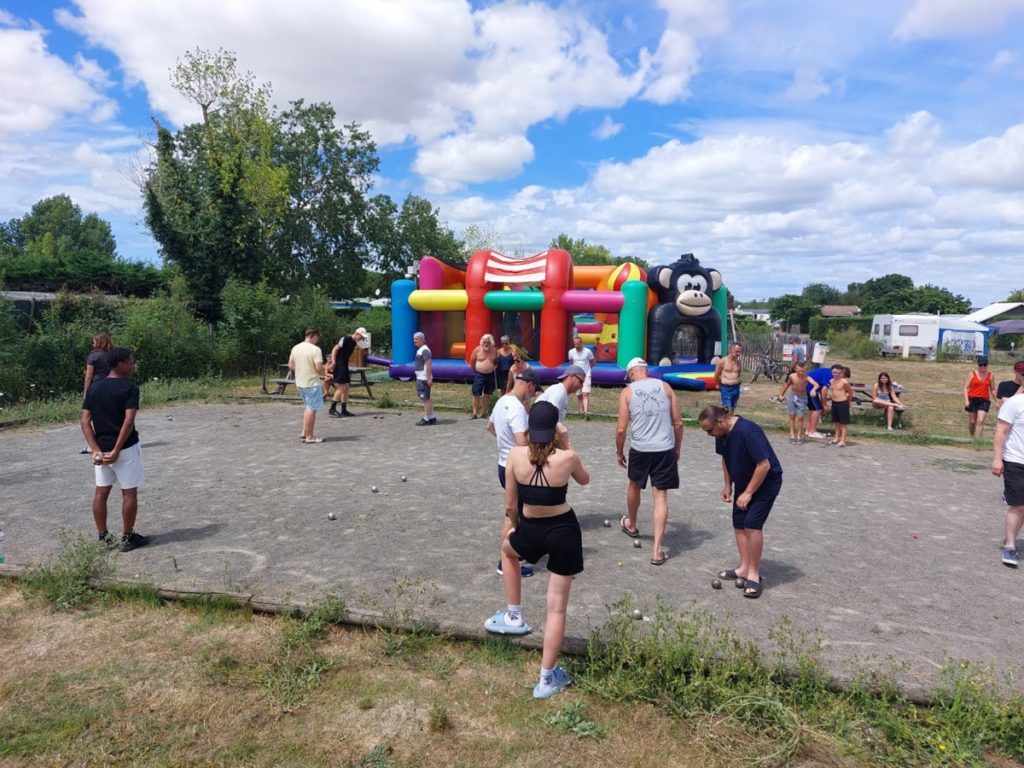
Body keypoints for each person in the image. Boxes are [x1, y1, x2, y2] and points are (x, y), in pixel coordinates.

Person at [485, 401, 590, 698]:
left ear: (530, 428)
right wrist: (566, 442)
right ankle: (546, 680)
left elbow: (509, 503)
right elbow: (585, 480)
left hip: (530, 528)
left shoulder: (516, 456)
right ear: (555, 428)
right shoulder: (568, 457)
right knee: (556, 607)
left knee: (507, 551)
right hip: (564, 531)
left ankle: (514, 616)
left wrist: (517, 525)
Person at [699, 405, 782, 599]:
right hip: (745, 483)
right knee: (739, 524)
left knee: (752, 525)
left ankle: (754, 574)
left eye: (709, 430)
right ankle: (744, 568)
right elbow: (726, 460)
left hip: (766, 482)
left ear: (720, 422)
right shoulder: (721, 435)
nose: (709, 435)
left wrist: (748, 493)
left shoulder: (748, 431)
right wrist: (728, 486)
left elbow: (764, 465)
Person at [614, 358, 683, 566]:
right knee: (660, 496)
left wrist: (619, 451)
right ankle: (656, 550)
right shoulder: (666, 387)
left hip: (641, 449)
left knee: (634, 485)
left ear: (632, 372)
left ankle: (632, 524)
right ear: (645, 369)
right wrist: (677, 448)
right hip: (664, 449)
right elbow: (678, 423)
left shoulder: (627, 392)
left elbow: (621, 429)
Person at [80, 347, 149, 552]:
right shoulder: (129, 389)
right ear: (120, 364)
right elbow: (128, 422)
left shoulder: (94, 388)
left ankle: (103, 537)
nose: (133, 364)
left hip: (102, 450)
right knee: (129, 493)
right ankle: (128, 537)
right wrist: (118, 449)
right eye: (131, 361)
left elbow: (85, 420)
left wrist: (95, 450)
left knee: (101, 493)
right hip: (125, 449)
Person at [488, 369, 543, 577]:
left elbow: (491, 427)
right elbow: (522, 443)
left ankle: (514, 556)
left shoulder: (501, 401)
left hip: (503, 464)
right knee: (513, 515)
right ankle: (507, 562)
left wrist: (505, 444)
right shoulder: (517, 408)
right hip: (516, 469)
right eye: (534, 391)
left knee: (514, 513)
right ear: (528, 385)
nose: (533, 395)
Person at [992, 385, 1024, 568]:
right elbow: (1000, 432)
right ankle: (1010, 545)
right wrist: (997, 459)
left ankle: (1010, 537)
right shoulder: (1015, 403)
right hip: (1015, 460)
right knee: (1018, 504)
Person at [289, 328, 326, 444]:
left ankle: (304, 432)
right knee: (311, 408)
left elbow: (291, 365)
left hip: (300, 382)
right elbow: (319, 368)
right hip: (311, 382)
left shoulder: (296, 347)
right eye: (317, 337)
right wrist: (325, 370)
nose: (317, 340)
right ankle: (310, 436)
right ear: (313, 336)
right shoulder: (315, 350)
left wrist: (301, 369)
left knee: (308, 406)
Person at [327, 327, 367, 417]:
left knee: (347, 387)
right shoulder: (346, 339)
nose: (362, 339)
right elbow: (334, 349)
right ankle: (332, 409)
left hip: (345, 364)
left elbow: (365, 346)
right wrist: (333, 362)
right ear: (357, 333)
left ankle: (344, 410)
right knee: (342, 387)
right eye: (361, 336)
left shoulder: (354, 342)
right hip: (339, 364)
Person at [778, 362, 816, 444]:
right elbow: (787, 385)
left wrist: (814, 389)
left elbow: (815, 384)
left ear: (806, 370)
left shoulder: (807, 377)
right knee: (792, 415)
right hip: (792, 396)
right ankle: (792, 435)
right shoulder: (792, 376)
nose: (801, 373)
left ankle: (799, 436)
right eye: (799, 371)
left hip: (802, 397)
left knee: (800, 417)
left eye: (803, 371)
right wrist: (781, 394)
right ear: (795, 369)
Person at [806, 364, 842, 439]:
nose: (836, 375)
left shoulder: (827, 371)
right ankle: (812, 432)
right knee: (817, 410)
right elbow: (824, 391)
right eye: (835, 372)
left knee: (812, 410)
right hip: (810, 389)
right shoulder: (830, 376)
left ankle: (808, 430)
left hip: (808, 388)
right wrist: (824, 405)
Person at [964, 356, 996, 438]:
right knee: (972, 421)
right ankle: (972, 437)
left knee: (981, 420)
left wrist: (997, 401)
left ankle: (977, 440)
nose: (982, 367)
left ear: (987, 365)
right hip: (972, 399)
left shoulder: (991, 375)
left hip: (984, 400)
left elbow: (992, 389)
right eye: (981, 365)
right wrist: (966, 400)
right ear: (978, 365)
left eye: (984, 365)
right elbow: (966, 387)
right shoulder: (972, 374)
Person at [469, 334, 500, 419]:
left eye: (488, 342)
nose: (486, 344)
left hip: (490, 375)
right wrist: (476, 370)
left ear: (491, 343)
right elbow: (472, 361)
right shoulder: (477, 349)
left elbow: (496, 362)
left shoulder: (494, 350)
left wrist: (495, 366)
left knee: (487, 394)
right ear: (482, 342)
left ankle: (483, 412)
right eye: (484, 342)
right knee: (476, 393)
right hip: (479, 374)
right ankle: (474, 413)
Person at [567, 336, 596, 419]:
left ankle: (586, 411)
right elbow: (571, 362)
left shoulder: (588, 351)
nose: (576, 346)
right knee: (579, 394)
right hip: (577, 375)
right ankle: (580, 410)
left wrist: (587, 369)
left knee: (585, 393)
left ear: (581, 343)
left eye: (578, 344)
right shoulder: (571, 352)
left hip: (587, 375)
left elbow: (593, 362)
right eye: (575, 344)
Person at [413, 331, 437, 426]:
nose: (414, 341)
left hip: (423, 378)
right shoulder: (421, 350)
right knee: (427, 398)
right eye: (414, 339)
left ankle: (427, 418)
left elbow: (428, 365)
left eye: (417, 339)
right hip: (421, 377)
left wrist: (428, 378)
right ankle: (431, 416)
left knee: (425, 399)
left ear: (422, 340)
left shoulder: (425, 350)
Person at [714, 343, 744, 414]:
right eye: (737, 351)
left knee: (733, 407)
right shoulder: (722, 361)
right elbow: (716, 375)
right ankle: (727, 423)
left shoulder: (738, 363)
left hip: (736, 388)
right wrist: (718, 384)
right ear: (731, 350)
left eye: (740, 352)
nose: (738, 353)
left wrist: (737, 381)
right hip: (726, 388)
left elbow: (738, 374)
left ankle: (730, 422)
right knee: (727, 409)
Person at [829, 365, 853, 447]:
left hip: (843, 403)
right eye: (833, 372)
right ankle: (836, 438)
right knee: (836, 422)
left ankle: (843, 440)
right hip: (834, 403)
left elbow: (850, 392)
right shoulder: (831, 380)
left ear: (841, 372)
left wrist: (849, 402)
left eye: (837, 372)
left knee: (843, 423)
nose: (835, 374)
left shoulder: (844, 382)